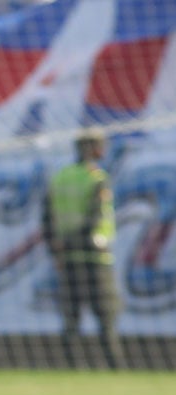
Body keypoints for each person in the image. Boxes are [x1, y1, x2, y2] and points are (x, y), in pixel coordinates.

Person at [41, 129, 125, 370]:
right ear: (92, 148)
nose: (104, 149)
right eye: (101, 145)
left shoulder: (60, 176)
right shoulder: (96, 178)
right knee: (107, 315)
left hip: (67, 258)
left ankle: (71, 367)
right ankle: (115, 367)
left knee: (71, 316)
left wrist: (56, 249)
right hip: (95, 257)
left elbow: (46, 217)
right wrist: (77, 241)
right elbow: (94, 218)